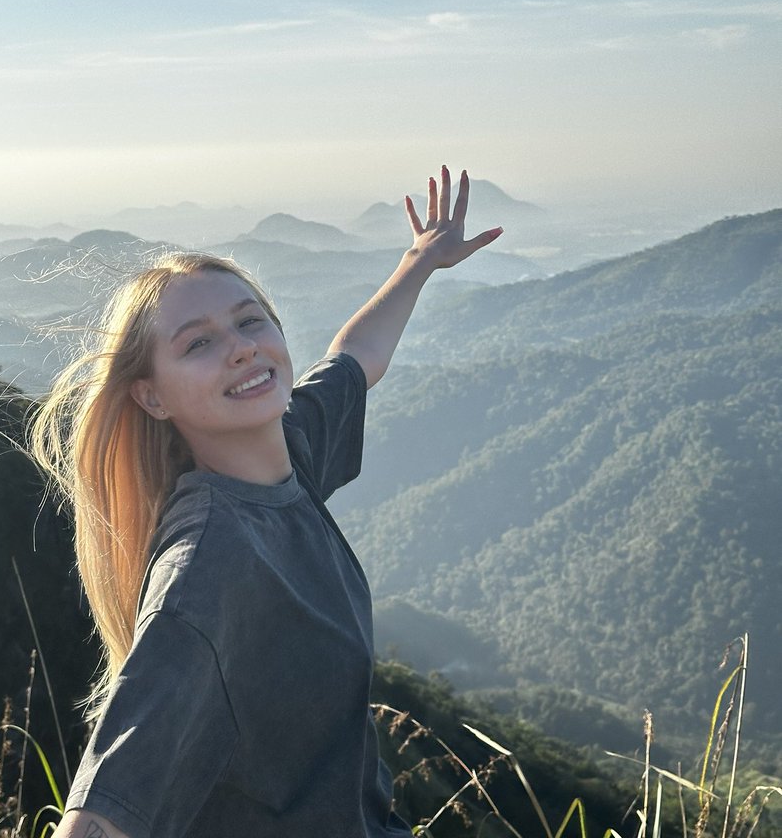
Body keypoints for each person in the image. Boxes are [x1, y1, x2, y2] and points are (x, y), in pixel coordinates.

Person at [34, 166, 502, 838]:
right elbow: (102, 815)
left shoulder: (289, 449)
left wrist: (420, 262)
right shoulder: (207, 565)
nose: (242, 348)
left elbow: (356, 357)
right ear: (152, 396)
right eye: (199, 343)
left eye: (250, 321)